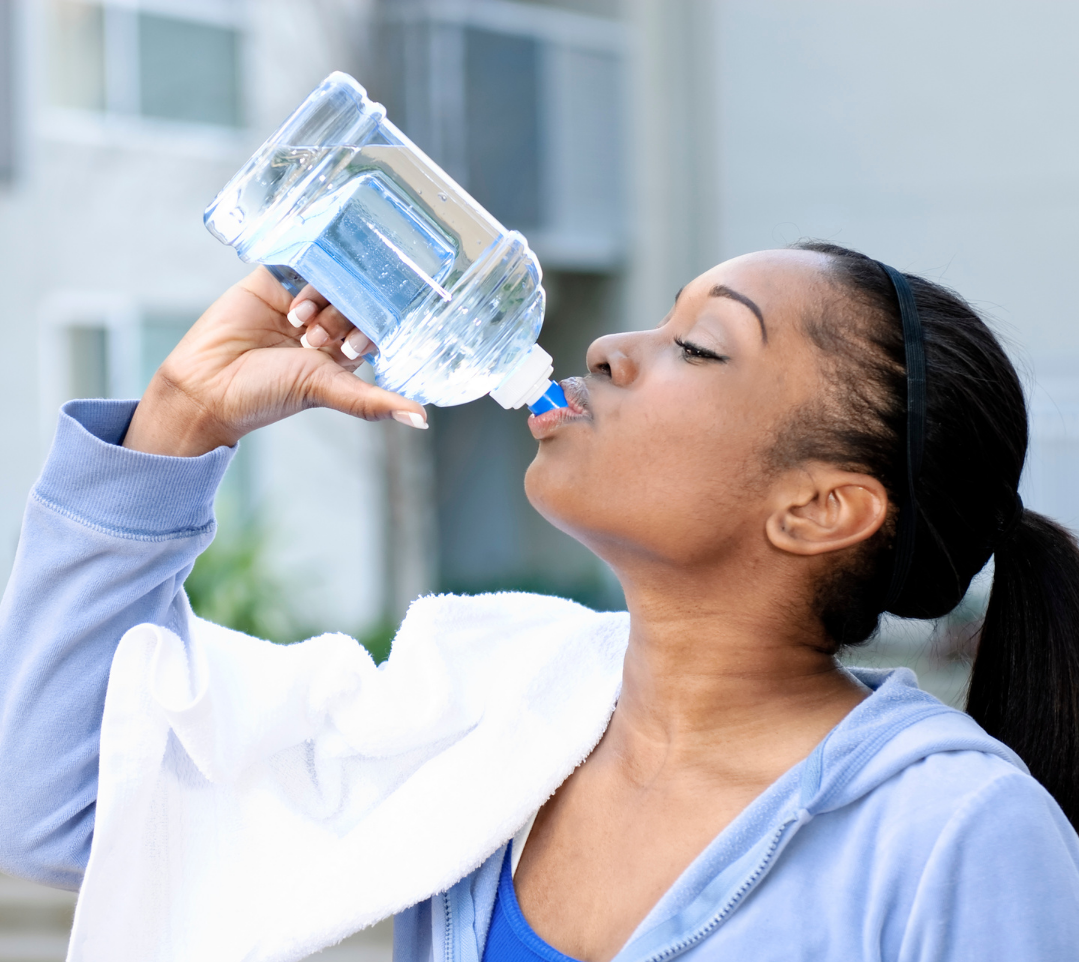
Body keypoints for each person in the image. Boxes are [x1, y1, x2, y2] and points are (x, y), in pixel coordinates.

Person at [1, 243, 1078, 962]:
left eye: (698, 346)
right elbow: (61, 807)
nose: (609, 348)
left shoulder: (950, 833)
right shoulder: (485, 709)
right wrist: (183, 419)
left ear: (817, 507)